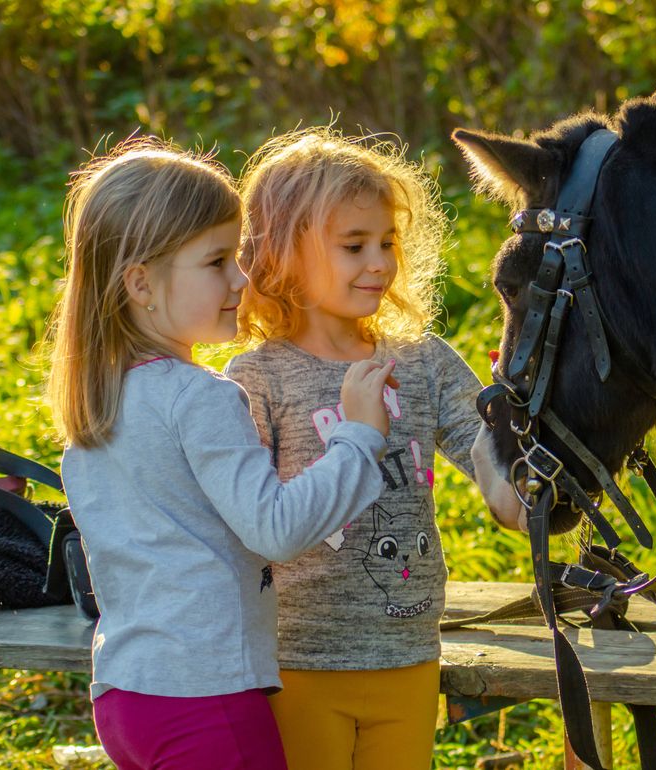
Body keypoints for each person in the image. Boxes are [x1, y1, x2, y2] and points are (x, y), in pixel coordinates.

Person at [45, 137, 396, 770]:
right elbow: (277, 528)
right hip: (204, 697)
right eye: (216, 262)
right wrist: (359, 437)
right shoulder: (199, 398)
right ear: (140, 283)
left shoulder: (97, 401)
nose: (242, 277)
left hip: (126, 694)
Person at [225, 127, 482, 770]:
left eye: (387, 243)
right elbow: (249, 523)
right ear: (282, 254)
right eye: (354, 246)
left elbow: (489, 452)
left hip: (410, 649)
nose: (379, 263)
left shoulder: (421, 361)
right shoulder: (257, 380)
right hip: (299, 659)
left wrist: (527, 463)